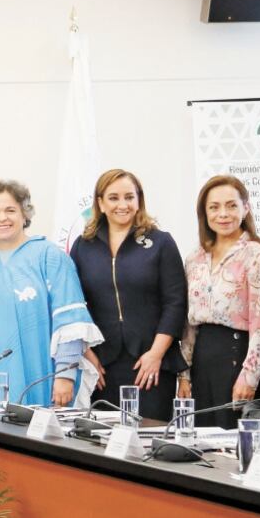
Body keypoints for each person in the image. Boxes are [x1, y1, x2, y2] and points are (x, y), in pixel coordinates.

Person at [0, 180, 102, 408]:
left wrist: (65, 375)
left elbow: (70, 319)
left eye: (10, 210)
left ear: (24, 213)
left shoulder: (49, 256)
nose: (2, 218)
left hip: (40, 381)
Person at [70, 169, 187, 422]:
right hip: (103, 363)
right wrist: (88, 354)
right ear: (100, 203)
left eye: (129, 197)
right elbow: (73, 304)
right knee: (103, 445)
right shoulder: (82, 246)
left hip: (150, 363)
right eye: (113, 198)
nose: (122, 205)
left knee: (148, 441)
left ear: (139, 200)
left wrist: (156, 354)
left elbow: (176, 303)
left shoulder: (161, 242)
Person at [179, 175, 260, 428]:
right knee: (200, 442)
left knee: (235, 443)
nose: (223, 214)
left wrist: (250, 376)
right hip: (201, 359)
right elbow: (188, 324)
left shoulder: (257, 254)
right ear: (204, 213)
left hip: (236, 357)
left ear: (246, 208)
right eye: (214, 207)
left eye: (231, 205)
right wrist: (184, 375)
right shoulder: (194, 258)